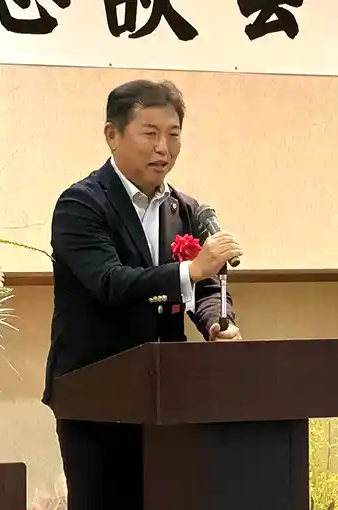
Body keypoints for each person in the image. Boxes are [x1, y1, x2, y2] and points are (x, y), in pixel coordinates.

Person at [42, 79, 243, 510]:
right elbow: (110, 282)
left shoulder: (184, 210)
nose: (163, 148)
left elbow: (206, 286)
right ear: (112, 135)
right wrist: (191, 269)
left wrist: (215, 321)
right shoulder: (81, 204)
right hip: (95, 394)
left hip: (169, 393)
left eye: (173, 135)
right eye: (150, 133)